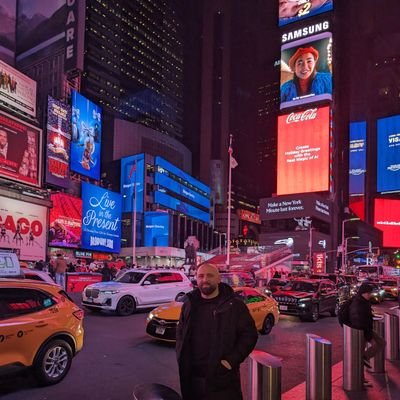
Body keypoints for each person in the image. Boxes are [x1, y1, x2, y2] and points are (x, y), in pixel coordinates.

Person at [176, 264, 258, 400]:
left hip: (223, 381)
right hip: (192, 380)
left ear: (219, 279)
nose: (205, 280)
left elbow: (249, 335)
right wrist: (181, 357)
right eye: (201, 276)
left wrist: (230, 361)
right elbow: (180, 335)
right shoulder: (189, 304)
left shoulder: (235, 305)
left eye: (210, 275)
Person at [348, 283, 386, 368]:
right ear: (363, 293)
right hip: (361, 331)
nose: (370, 295)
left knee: (381, 343)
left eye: (370, 293)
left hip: (366, 329)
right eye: (368, 293)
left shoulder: (364, 302)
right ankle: (358, 376)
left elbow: (365, 317)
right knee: (361, 353)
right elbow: (359, 321)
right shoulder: (358, 304)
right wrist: (368, 336)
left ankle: (364, 358)